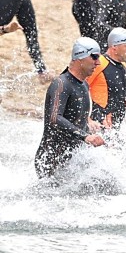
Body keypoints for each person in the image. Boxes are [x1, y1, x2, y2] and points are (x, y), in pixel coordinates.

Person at [35, 37, 105, 178]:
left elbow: (77, 119)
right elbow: (55, 118)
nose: (98, 62)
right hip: (50, 160)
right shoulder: (61, 84)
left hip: (71, 160)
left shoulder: (84, 85)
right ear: (80, 57)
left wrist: (92, 126)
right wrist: (86, 136)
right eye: (94, 57)